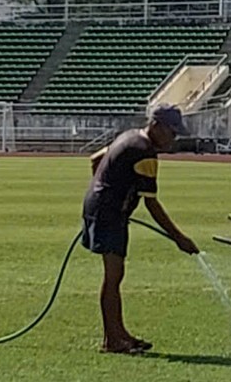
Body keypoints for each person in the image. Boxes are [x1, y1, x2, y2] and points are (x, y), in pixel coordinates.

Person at [82, 104, 199, 353]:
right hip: (109, 213)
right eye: (171, 132)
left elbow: (95, 160)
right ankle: (112, 341)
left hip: (101, 207)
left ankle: (119, 334)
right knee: (113, 276)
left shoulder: (130, 135)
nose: (173, 139)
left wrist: (104, 188)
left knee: (116, 274)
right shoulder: (145, 153)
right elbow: (152, 204)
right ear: (156, 125)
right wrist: (179, 238)